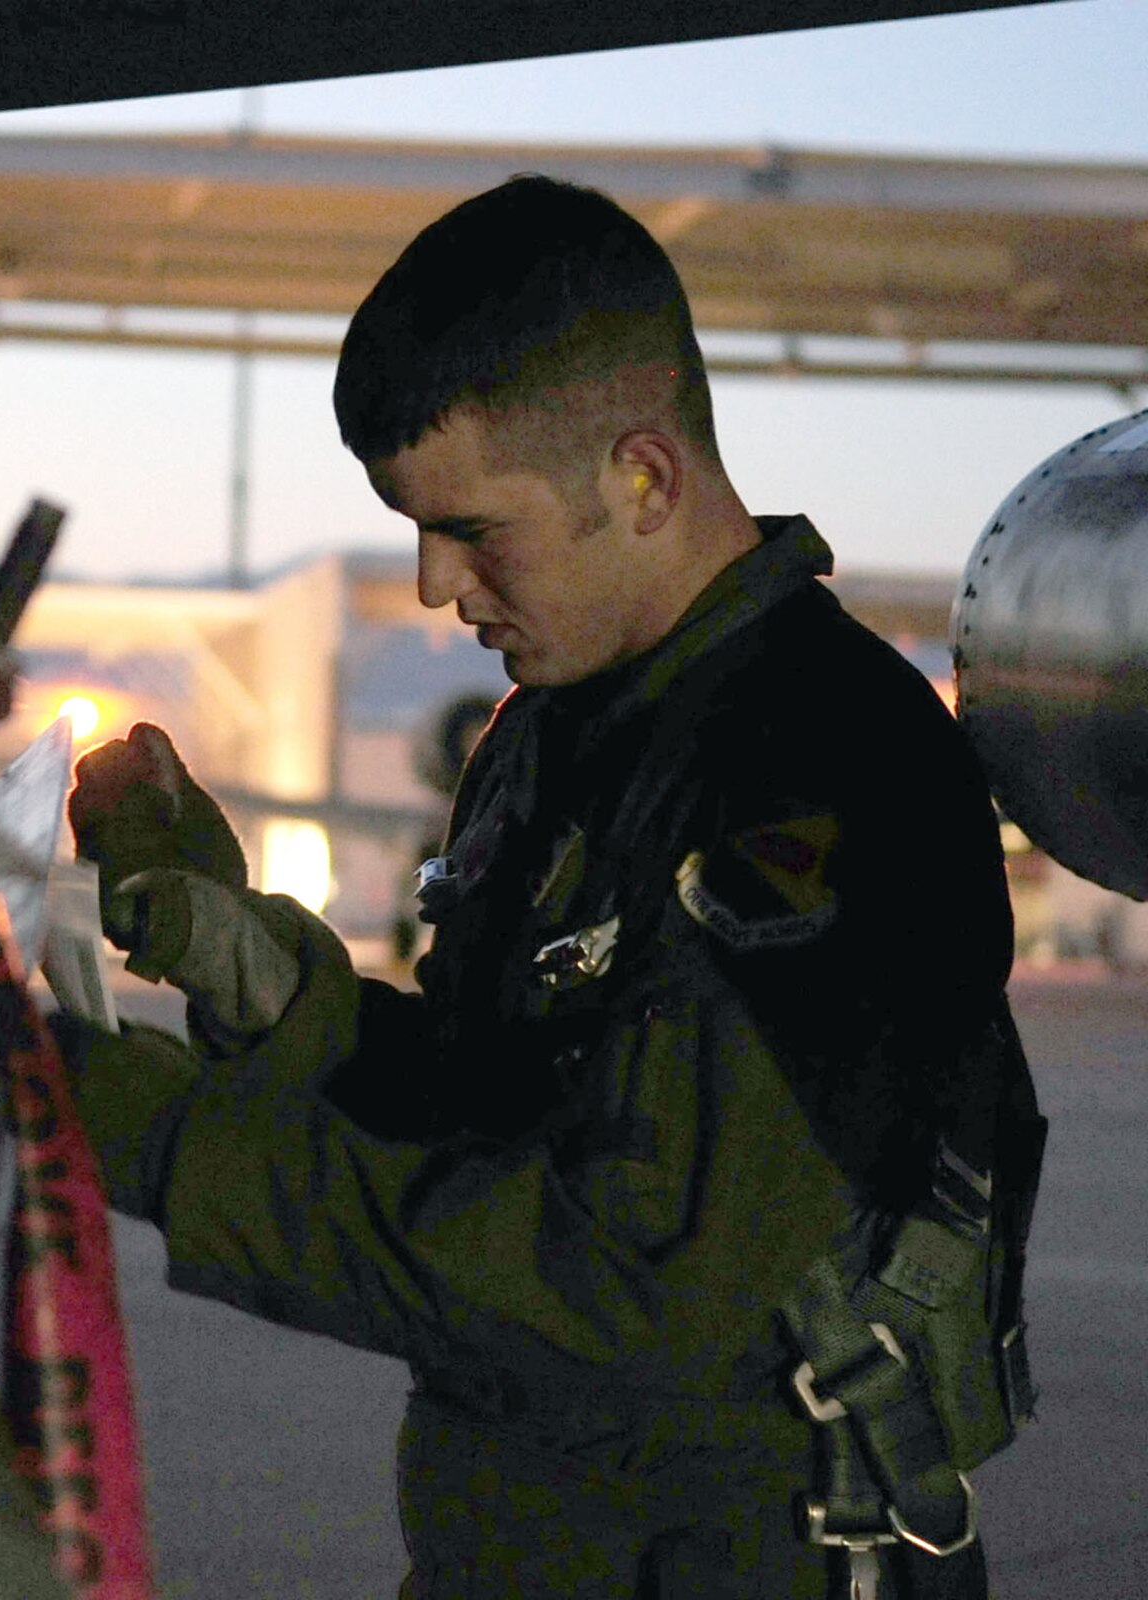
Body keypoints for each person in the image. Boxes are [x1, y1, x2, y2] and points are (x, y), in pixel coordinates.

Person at [57, 176, 1039, 1600]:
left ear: (641, 478)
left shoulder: (823, 768)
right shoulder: (564, 731)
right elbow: (500, 1104)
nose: (434, 584)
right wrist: (258, 975)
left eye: (472, 531)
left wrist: (139, 1133)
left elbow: (624, 1278)